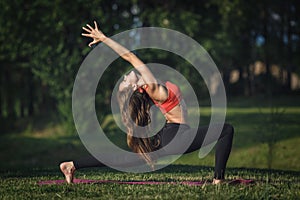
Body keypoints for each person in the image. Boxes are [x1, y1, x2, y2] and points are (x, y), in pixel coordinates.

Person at [60, 21, 234, 184]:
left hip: (168, 135)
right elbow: (129, 56)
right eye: (125, 80)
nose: (126, 75)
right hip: (177, 136)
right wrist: (104, 38)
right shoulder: (150, 87)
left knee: (123, 159)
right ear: (134, 88)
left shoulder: (148, 91)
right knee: (226, 130)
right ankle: (218, 180)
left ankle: (72, 165)